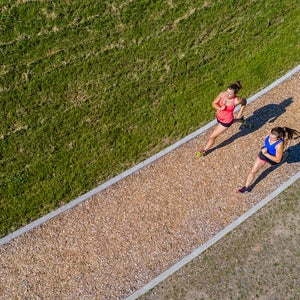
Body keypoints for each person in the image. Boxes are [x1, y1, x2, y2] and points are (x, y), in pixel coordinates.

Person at [238, 126, 300, 194]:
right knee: (253, 171)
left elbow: (277, 160)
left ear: (279, 138)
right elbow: (268, 137)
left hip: (272, 159)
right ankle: (246, 188)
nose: (271, 138)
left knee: (284, 157)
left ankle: (287, 152)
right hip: (264, 154)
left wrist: (266, 153)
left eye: (273, 138)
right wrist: (264, 139)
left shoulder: (279, 145)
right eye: (270, 136)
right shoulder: (272, 132)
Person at [196, 81, 247, 157]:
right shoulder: (222, 94)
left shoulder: (237, 100)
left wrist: (239, 113)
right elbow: (213, 103)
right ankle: (241, 120)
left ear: (234, 94)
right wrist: (220, 108)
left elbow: (244, 102)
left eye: (230, 94)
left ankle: (204, 150)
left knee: (212, 136)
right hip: (219, 116)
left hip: (226, 121)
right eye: (227, 92)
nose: (227, 94)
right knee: (230, 121)